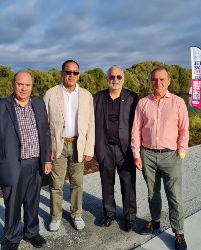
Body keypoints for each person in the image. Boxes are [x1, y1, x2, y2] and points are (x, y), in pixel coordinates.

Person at [0, 71, 51, 250]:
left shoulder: (38, 104)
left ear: (32, 86)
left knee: (32, 202)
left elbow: (45, 133)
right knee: (13, 205)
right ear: (13, 84)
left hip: (35, 163)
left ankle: (31, 232)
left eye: (27, 85)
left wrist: (47, 160)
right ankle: (13, 238)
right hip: (12, 165)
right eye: (20, 84)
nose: (24, 88)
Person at [131, 66, 189, 250]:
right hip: (147, 154)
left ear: (169, 81)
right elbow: (136, 130)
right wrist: (136, 153)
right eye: (155, 79)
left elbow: (184, 130)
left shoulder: (178, 102)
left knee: (174, 195)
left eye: (162, 79)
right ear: (151, 81)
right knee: (152, 193)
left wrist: (181, 153)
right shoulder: (143, 103)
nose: (158, 82)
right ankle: (155, 221)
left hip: (170, 155)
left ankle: (179, 233)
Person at [43, 59, 95, 232]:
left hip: (78, 145)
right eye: (68, 72)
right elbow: (44, 124)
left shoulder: (87, 95)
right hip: (57, 145)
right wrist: (47, 148)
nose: (71, 75)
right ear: (62, 73)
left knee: (77, 182)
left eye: (74, 72)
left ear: (79, 75)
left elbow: (91, 124)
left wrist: (89, 148)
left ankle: (76, 214)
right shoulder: (51, 94)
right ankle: (55, 216)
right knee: (56, 184)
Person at [93, 65, 138, 231]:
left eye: (119, 77)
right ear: (107, 79)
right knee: (107, 183)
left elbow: (138, 124)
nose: (115, 80)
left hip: (125, 149)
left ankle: (130, 217)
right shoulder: (97, 98)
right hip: (105, 148)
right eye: (112, 77)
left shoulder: (132, 97)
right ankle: (109, 214)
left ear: (123, 79)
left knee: (128, 184)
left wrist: (137, 150)